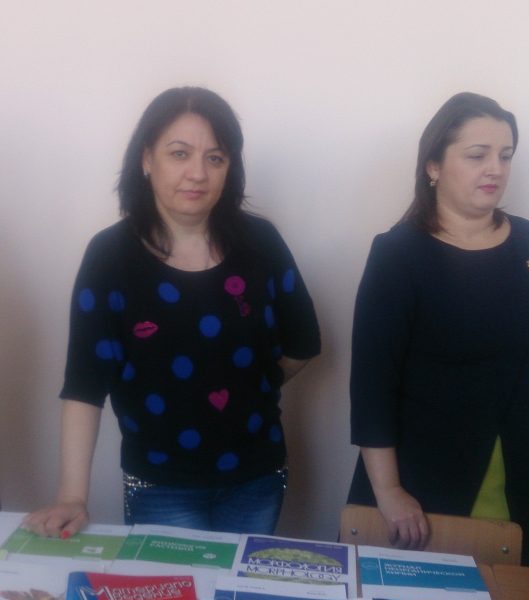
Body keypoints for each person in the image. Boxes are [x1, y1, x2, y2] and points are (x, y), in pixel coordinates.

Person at [24, 87, 320, 537]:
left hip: (257, 477)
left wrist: (250, 385)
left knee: (237, 587)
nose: (197, 173)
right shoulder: (110, 256)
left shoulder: (261, 243)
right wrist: (72, 496)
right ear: (147, 159)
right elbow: (85, 383)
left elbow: (304, 341)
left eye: (215, 158)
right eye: (179, 153)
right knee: (172, 585)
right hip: (159, 484)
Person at [347, 92, 529, 566]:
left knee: (516, 594)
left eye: (505, 155)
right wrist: (389, 491)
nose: (495, 168)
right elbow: (372, 384)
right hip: (421, 489)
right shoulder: (398, 254)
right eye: (478, 155)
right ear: (433, 165)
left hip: (520, 474)